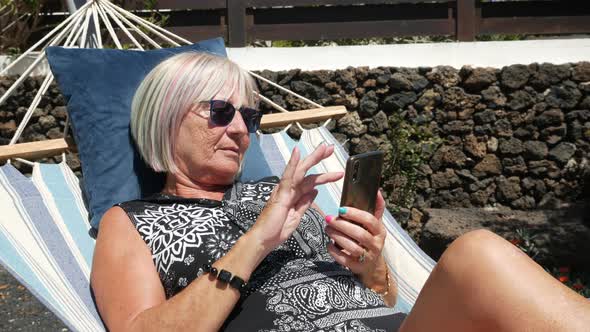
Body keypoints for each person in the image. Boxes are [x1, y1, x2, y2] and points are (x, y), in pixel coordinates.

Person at [91, 52, 590, 332]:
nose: (242, 130)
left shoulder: (281, 195)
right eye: (220, 112)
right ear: (164, 119)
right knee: (476, 255)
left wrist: (369, 263)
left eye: (249, 116)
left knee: (478, 261)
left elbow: (383, 296)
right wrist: (258, 240)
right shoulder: (129, 220)